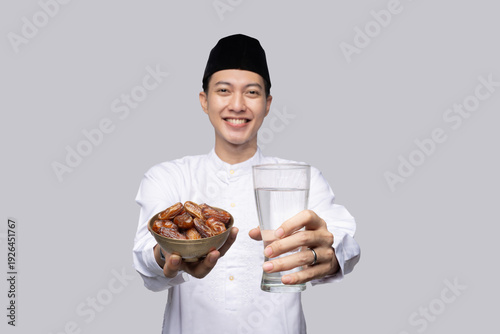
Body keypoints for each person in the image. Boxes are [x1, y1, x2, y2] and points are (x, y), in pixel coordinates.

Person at [133, 34, 360, 333]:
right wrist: (172, 253)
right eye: (224, 90)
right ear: (204, 100)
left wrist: (328, 255)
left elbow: (345, 242)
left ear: (267, 104)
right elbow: (145, 258)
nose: (237, 105)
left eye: (251, 92)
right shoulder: (168, 176)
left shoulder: (301, 178)